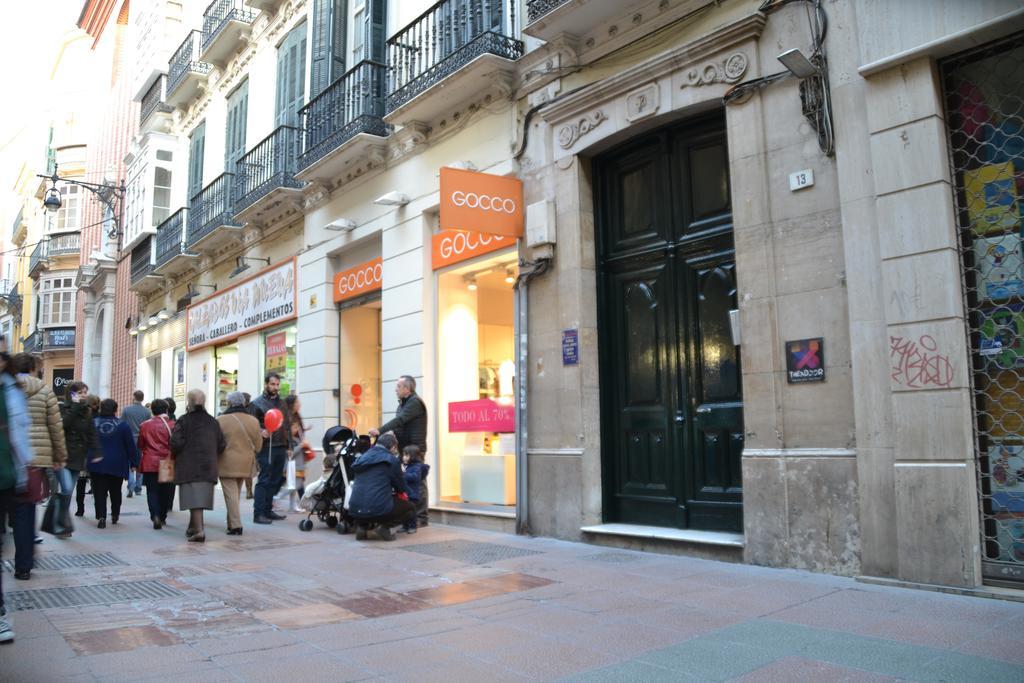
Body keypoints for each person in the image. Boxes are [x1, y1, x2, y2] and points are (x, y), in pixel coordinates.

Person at [10, 355, 68, 579]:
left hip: (8, 457)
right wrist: (59, 456)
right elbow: (55, 426)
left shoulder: (6, 389)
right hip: (34, 459)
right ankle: (23, 565)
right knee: (26, 511)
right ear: (34, 368)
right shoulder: (44, 391)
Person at [0, 349, 35, 644]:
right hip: (14, 470)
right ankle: (24, 565)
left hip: (8, 472)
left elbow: (20, 431)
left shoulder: (11, 390)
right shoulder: (21, 389)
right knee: (22, 521)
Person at [369, 375, 428, 527]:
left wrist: (379, 430)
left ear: (407, 389)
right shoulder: (403, 404)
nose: (395, 389)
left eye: (398, 386)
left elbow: (400, 420)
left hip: (415, 450)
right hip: (405, 449)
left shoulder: (414, 403)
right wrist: (391, 435)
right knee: (407, 481)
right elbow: (399, 425)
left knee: (418, 482)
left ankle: (421, 517)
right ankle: (410, 515)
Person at [169, 389, 225, 542]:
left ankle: (199, 530)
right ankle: (193, 526)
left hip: (189, 465)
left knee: (194, 498)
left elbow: (176, 442)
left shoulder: (184, 420)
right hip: (208, 466)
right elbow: (222, 444)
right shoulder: (213, 421)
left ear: (189, 402)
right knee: (199, 498)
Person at [348, 433, 414, 541]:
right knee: (410, 508)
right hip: (378, 509)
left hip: (355, 509)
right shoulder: (391, 460)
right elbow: (401, 487)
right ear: (393, 447)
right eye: (395, 448)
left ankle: (362, 527)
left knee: (371, 500)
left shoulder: (362, 457)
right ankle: (385, 528)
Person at [216, 391, 261, 535]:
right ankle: (231, 523)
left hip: (226, 462)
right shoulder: (253, 421)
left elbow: (216, 443)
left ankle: (236, 525)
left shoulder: (220, 420)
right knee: (234, 496)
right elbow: (259, 446)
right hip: (245, 463)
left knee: (231, 495)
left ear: (229, 403)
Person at [90, 399, 139, 528]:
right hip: (117, 463)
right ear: (115, 410)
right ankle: (115, 514)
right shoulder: (123, 425)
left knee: (99, 491)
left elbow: (86, 443)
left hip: (97, 462)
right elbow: (130, 446)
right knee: (115, 490)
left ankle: (101, 516)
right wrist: (134, 462)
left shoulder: (93, 423)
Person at [250, 373, 290, 525]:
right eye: (273, 384)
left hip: (281, 446)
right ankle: (258, 513)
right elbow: (252, 425)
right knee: (264, 479)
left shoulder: (282, 403)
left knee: (276, 480)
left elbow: (286, 424)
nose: (276, 387)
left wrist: (289, 446)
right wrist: (261, 431)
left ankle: (267, 510)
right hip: (266, 447)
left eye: (277, 384)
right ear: (266, 384)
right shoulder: (257, 404)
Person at [60, 381, 98, 518]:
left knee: (68, 490)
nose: (84, 395)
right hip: (63, 455)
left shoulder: (87, 411)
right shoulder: (63, 408)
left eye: (85, 392)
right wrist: (75, 406)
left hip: (78, 456)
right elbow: (64, 424)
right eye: (80, 392)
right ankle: (61, 519)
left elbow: (91, 433)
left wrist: (97, 451)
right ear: (72, 394)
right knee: (66, 489)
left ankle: (62, 519)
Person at [136, 398, 176, 529]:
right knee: (165, 491)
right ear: (166, 409)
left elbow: (141, 444)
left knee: (152, 491)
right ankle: (163, 516)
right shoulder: (172, 425)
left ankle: (155, 515)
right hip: (166, 461)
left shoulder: (145, 425)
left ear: (152, 410)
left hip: (150, 461)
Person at [121, 390, 150, 498]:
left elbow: (122, 423)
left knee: (129, 463)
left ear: (134, 397)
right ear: (142, 398)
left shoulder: (126, 410)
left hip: (128, 439)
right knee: (139, 463)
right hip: (141, 440)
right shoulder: (147, 412)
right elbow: (148, 426)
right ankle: (138, 487)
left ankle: (130, 483)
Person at [284, 394, 309, 513]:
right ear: (292, 404)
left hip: (298, 453)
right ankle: (276, 497)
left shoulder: (296, 416)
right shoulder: (288, 417)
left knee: (296, 482)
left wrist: (305, 430)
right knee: (293, 483)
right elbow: (290, 448)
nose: (299, 404)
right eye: (297, 402)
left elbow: (298, 431)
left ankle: (294, 504)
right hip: (293, 452)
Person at [401, 445, 428, 535]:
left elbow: (415, 477)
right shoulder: (406, 466)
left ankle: (412, 526)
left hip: (413, 493)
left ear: (413, 456)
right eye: (403, 455)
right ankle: (405, 526)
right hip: (406, 492)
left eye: (406, 455)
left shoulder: (416, 467)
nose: (404, 457)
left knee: (412, 511)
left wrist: (403, 474)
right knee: (404, 511)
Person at [242, 392, 255, 499]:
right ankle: (249, 491)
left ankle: (249, 490)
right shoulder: (249, 410)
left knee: (248, 469)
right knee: (248, 469)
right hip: (247, 442)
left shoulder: (250, 409)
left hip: (247, 441)